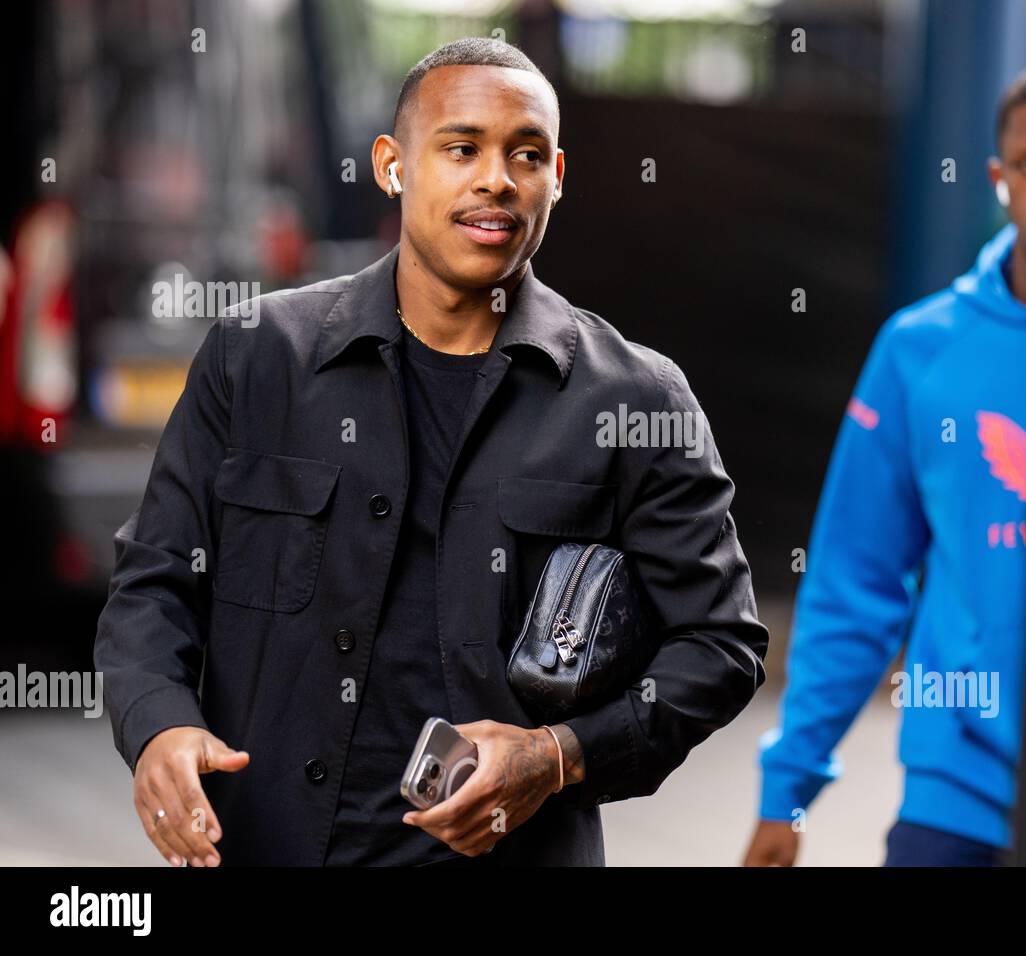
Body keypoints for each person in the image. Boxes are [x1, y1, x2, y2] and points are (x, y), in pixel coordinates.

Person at [95, 37, 767, 867]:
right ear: (392, 165)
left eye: (526, 155)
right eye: (461, 148)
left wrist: (558, 754)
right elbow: (153, 582)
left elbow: (719, 645)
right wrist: (160, 723)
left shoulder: (635, 401)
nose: (497, 179)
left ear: (558, 177)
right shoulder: (258, 358)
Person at [743, 56, 1026, 867]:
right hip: (956, 797)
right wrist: (789, 782)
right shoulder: (922, 348)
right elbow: (855, 578)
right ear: (999, 177)